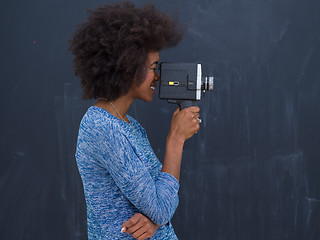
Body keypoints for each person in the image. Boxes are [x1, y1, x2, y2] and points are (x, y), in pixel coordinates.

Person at [69, 2, 200, 239]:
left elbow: (161, 201)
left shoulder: (129, 125)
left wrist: (155, 221)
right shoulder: (103, 129)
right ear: (128, 67)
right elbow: (161, 208)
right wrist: (176, 139)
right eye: (153, 67)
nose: (158, 77)